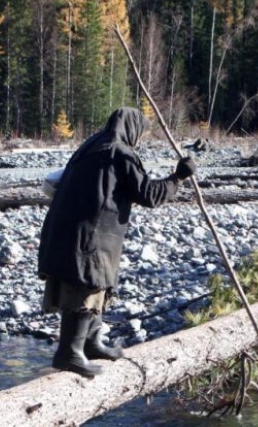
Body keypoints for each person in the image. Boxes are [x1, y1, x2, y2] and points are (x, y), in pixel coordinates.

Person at [38, 107, 196, 377]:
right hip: (89, 233)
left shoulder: (91, 146)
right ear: (131, 128)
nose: (140, 138)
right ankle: (69, 354)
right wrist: (178, 177)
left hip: (64, 229)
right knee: (86, 283)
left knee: (95, 282)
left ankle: (90, 343)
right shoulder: (120, 153)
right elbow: (148, 194)